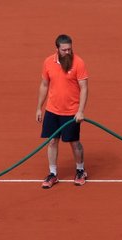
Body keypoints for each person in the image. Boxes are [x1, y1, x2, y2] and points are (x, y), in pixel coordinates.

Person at [36, 34, 89, 189]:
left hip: (71, 112)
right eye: (64, 50)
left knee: (74, 142)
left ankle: (80, 170)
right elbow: (44, 85)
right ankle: (53, 173)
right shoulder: (48, 62)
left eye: (70, 49)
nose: (68, 52)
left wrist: (80, 111)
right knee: (52, 141)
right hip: (52, 110)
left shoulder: (78, 63)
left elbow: (84, 88)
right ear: (57, 49)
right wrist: (39, 107)